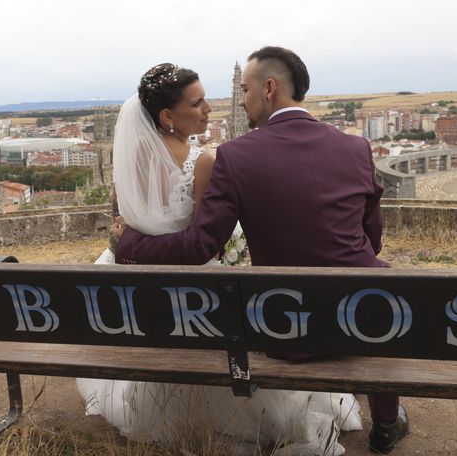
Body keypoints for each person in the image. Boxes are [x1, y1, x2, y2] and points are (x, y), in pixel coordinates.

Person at [114, 47, 409, 454]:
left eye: (246, 89)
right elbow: (371, 238)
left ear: (269, 89)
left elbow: (201, 245)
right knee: (384, 279)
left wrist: (129, 244)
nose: (241, 99)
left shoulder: (235, 157)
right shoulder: (355, 148)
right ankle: (387, 424)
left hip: (287, 328)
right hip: (360, 318)